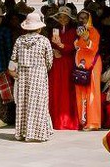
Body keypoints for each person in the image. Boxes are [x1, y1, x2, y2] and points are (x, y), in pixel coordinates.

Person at [11, 11, 55, 142]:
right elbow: (49, 61)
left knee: (23, 103)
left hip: (23, 76)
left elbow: (14, 58)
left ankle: (23, 133)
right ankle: (38, 133)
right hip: (39, 75)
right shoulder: (44, 41)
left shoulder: (19, 40)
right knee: (39, 104)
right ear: (40, 28)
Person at [48, 9, 81, 133]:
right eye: (61, 17)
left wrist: (61, 45)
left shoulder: (73, 32)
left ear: (69, 19)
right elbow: (49, 45)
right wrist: (53, 50)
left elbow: (74, 48)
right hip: (57, 63)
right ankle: (55, 120)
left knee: (67, 90)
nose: (63, 19)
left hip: (68, 63)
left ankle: (66, 120)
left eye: (65, 17)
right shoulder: (53, 31)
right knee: (56, 89)